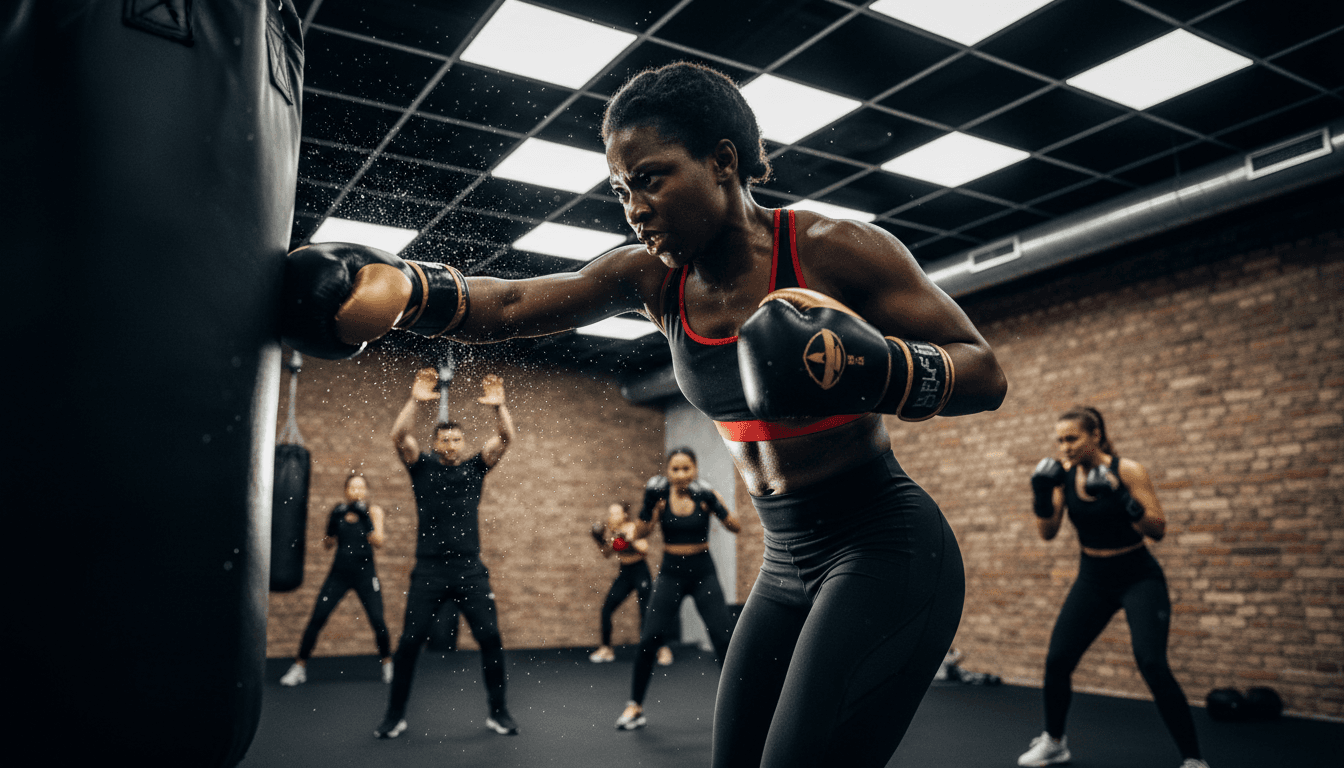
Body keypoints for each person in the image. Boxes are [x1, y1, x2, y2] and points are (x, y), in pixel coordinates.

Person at [281, 60, 1006, 767]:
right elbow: (513, 305)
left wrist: (874, 366)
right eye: (622, 188)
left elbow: (984, 371)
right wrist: (410, 291)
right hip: (787, 564)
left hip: (884, 547)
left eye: (651, 178)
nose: (634, 206)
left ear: (722, 161)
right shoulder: (654, 279)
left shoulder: (832, 249)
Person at [1018, 407, 1209, 768]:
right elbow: (1048, 533)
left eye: (1072, 438)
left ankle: (1194, 760)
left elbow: (1158, 530)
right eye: (1060, 440)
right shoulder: (1064, 476)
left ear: (1096, 436)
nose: (1065, 447)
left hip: (1138, 575)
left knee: (1152, 663)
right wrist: (1041, 494)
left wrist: (1122, 497)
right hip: (1093, 577)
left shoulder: (1128, 471)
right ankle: (1054, 743)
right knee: (1058, 660)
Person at [374, 369, 519, 739]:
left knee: (490, 638)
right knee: (408, 643)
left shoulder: (475, 469)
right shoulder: (420, 468)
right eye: (445, 439)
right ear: (436, 444)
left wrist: (499, 407)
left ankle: (498, 713)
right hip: (429, 571)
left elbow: (506, 438)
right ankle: (395, 716)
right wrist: (416, 400)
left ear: (463, 443)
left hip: (470, 569)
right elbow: (398, 436)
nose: (451, 445)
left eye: (457, 439)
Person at [614, 448, 741, 730]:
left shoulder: (707, 495)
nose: (681, 474)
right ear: (668, 472)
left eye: (687, 468)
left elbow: (735, 526)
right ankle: (635, 706)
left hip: (703, 572)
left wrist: (715, 505)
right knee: (649, 638)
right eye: (675, 469)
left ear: (695, 470)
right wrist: (646, 506)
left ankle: (741, 707)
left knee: (723, 638)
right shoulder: (660, 498)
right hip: (671, 572)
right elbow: (642, 532)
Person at [280, 474, 393, 686]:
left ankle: (388, 664)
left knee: (378, 620)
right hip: (338, 574)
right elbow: (327, 544)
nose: (356, 491)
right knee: (317, 618)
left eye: (361, 487)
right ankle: (299, 667)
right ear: (346, 490)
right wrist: (331, 525)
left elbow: (378, 542)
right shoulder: (338, 511)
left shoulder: (373, 510)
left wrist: (366, 520)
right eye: (352, 487)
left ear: (366, 491)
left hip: (365, 575)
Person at [588, 501, 673, 666]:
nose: (612, 516)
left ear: (624, 515)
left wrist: (628, 539)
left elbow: (644, 548)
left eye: (615, 513)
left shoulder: (633, 528)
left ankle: (662, 648)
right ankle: (606, 649)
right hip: (625, 573)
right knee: (607, 609)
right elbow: (607, 553)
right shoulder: (613, 532)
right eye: (610, 513)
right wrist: (599, 540)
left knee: (647, 612)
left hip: (640, 571)